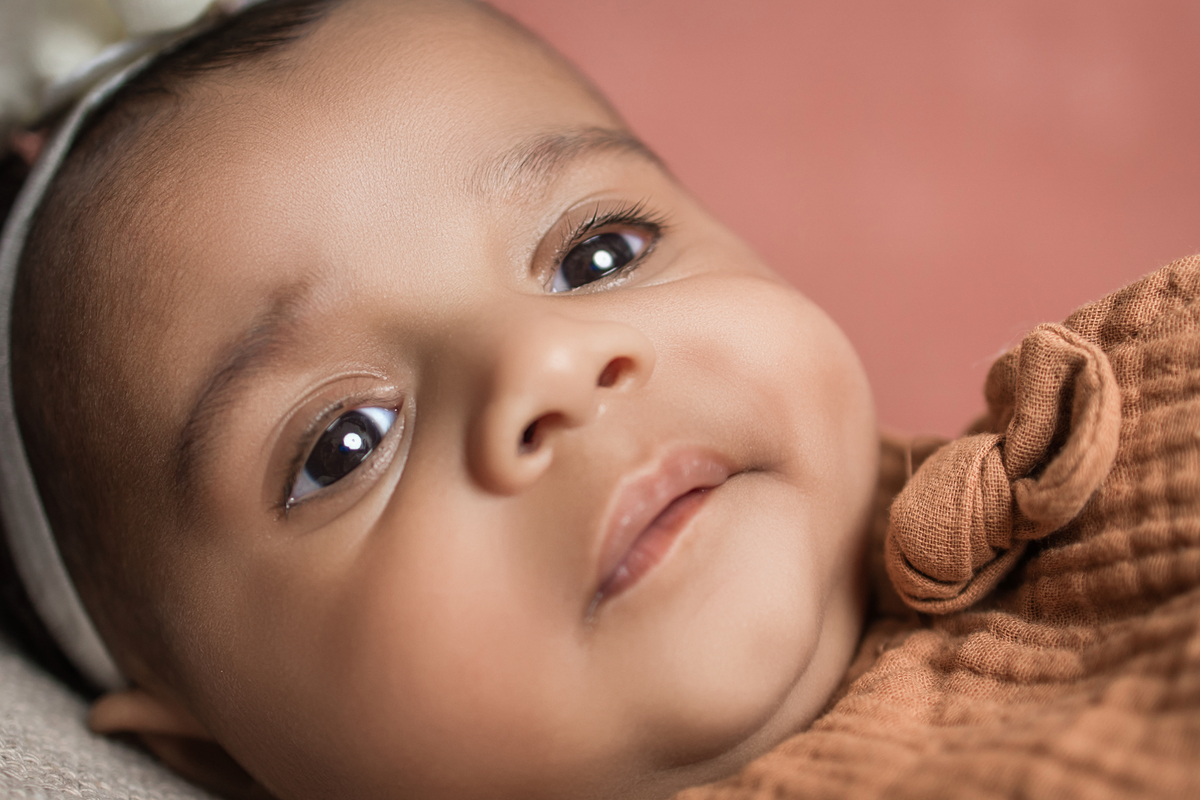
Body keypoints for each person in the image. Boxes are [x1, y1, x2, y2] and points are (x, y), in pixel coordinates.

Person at [0, 1, 879, 797]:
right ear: (212, 755)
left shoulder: (1013, 493)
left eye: (600, 255)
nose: (547, 362)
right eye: (345, 442)